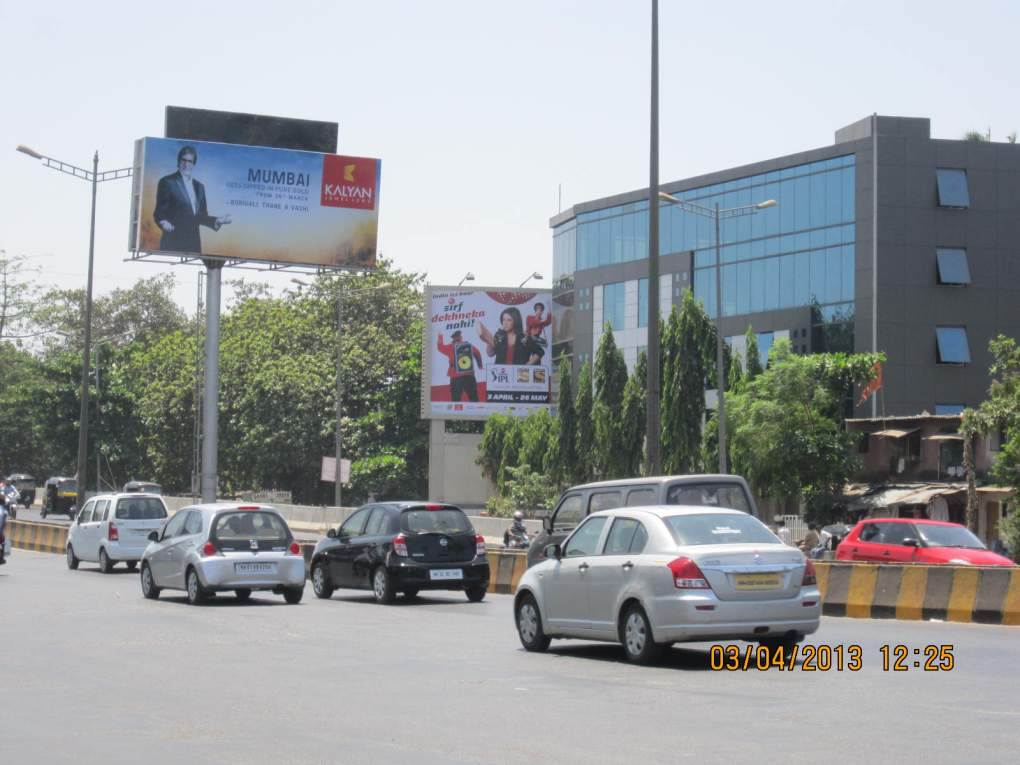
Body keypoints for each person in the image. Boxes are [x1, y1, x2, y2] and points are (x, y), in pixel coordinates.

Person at [153, 145, 231, 254]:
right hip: (173, 241)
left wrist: (217, 220)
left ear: (193, 164)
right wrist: (164, 222)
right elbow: (159, 212)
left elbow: (201, 217)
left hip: (193, 243)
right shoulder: (167, 182)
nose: (186, 164)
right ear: (178, 161)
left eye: (190, 161)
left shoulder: (200, 187)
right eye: (183, 160)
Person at [477, 307, 543, 366]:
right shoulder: (499, 335)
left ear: (516, 321)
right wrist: (487, 340)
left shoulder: (523, 337)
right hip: (502, 375)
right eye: (503, 319)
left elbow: (539, 352)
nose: (505, 323)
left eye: (509, 320)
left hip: (519, 376)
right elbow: (490, 354)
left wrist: (527, 365)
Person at [436, 330, 483, 402]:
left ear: (453, 339)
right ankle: (477, 412)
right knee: (474, 398)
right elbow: (477, 353)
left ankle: (455, 413)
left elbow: (440, 347)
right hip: (469, 375)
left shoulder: (450, 347)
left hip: (455, 376)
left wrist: (440, 335)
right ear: (461, 337)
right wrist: (480, 366)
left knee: (455, 400)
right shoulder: (468, 345)